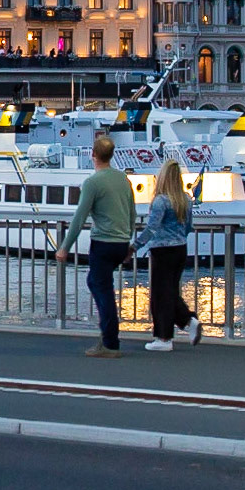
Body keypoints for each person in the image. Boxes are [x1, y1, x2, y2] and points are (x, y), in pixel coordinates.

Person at [55, 135, 137, 357]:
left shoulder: (92, 182)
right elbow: (132, 213)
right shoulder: (123, 179)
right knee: (97, 282)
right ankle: (107, 336)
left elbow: (79, 217)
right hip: (120, 242)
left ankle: (110, 342)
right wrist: (129, 243)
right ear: (111, 155)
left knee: (101, 287)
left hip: (102, 242)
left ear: (93, 155)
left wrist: (64, 247)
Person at [133, 159, 201, 352]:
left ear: (162, 178)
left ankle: (164, 338)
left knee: (160, 295)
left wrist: (135, 246)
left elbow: (151, 228)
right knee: (169, 291)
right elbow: (188, 226)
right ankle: (188, 321)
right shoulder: (185, 200)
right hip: (181, 249)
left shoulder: (160, 201)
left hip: (162, 251)